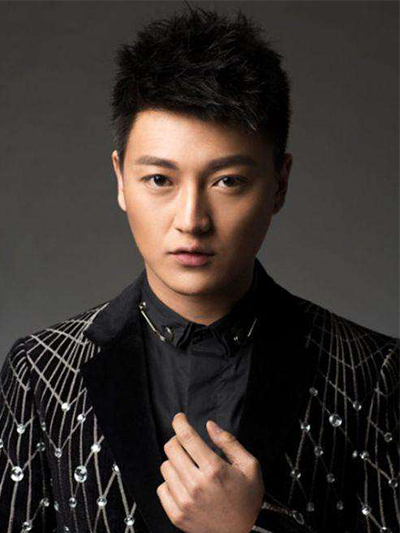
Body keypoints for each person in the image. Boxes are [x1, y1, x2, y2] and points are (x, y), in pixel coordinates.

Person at [0, 4, 398, 533]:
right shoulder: (40, 373)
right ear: (121, 180)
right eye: (160, 180)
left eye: (227, 181)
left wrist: (249, 527)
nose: (191, 220)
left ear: (279, 184)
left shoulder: (370, 373)